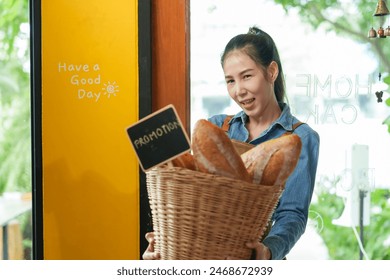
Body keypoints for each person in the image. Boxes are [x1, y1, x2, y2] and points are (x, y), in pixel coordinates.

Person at [143, 26, 320, 260]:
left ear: (272, 72)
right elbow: (191, 198)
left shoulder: (300, 137)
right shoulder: (216, 128)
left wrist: (267, 252)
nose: (239, 91)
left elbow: (293, 215)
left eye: (247, 76)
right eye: (230, 81)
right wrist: (165, 245)